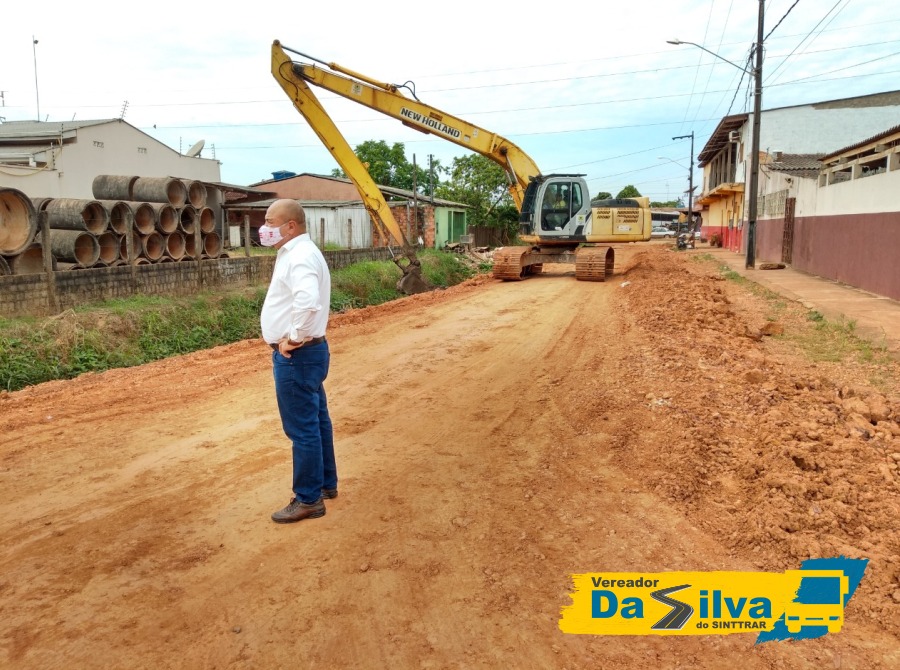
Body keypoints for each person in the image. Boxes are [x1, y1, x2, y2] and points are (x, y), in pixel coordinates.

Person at [259, 199, 337, 524]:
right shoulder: (297, 252)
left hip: (298, 355)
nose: (264, 227)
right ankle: (325, 484)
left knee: (302, 428)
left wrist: (293, 337)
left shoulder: (300, 256)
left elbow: (308, 300)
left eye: (270, 221)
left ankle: (308, 499)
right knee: (317, 419)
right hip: (311, 352)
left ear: (291, 225)